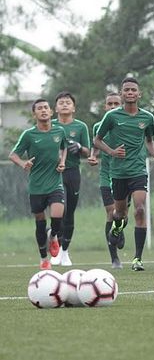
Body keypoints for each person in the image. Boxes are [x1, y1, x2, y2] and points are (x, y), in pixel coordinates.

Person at [93, 77, 154, 272]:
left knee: (140, 209)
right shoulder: (112, 117)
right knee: (120, 213)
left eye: (134, 89)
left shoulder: (147, 117)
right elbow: (97, 140)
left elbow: (149, 140)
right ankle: (117, 227)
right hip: (118, 173)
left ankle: (137, 259)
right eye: (127, 90)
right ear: (122, 94)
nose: (130, 92)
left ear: (139, 94)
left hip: (138, 170)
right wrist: (112, 152)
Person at [9, 99, 67, 269]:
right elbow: (13, 155)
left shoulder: (59, 131)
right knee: (40, 222)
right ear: (34, 114)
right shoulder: (29, 135)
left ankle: (54, 235)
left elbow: (64, 148)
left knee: (58, 215)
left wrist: (62, 161)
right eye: (39, 108)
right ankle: (43, 258)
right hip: (36, 186)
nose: (43, 110)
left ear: (51, 112)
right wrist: (23, 164)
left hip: (55, 182)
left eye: (46, 108)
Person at [49, 91, 91, 266]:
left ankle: (65, 251)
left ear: (73, 107)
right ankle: (55, 245)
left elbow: (88, 151)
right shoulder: (49, 125)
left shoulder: (80, 127)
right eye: (61, 102)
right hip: (53, 173)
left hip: (72, 172)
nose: (64, 104)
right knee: (61, 210)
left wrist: (79, 147)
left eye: (68, 102)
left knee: (70, 212)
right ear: (55, 107)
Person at [88, 92, 123, 269]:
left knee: (122, 215)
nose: (112, 106)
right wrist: (93, 157)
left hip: (125, 175)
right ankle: (114, 258)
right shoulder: (97, 127)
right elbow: (95, 148)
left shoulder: (127, 124)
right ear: (105, 107)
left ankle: (119, 229)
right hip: (106, 176)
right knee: (111, 213)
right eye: (109, 103)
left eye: (116, 103)